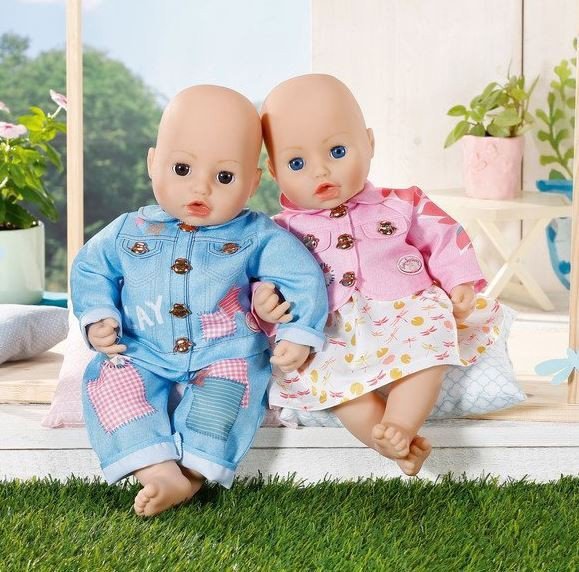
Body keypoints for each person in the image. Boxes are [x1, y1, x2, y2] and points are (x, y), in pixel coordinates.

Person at [71, 85, 328, 517]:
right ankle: (156, 469)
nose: (201, 187)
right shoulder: (128, 230)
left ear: (252, 182)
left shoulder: (256, 234)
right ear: (153, 163)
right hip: (141, 347)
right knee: (110, 385)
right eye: (182, 168)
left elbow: (301, 275)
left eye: (224, 177)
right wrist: (98, 317)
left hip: (225, 352)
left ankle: (189, 476)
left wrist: (299, 332)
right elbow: (90, 269)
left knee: (224, 405)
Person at [254, 74, 504, 476]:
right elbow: (262, 274)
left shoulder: (403, 203)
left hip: (407, 307)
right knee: (328, 381)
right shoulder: (279, 231)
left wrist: (458, 280)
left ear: (368, 143)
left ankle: (402, 422)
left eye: (337, 150)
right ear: (273, 170)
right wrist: (263, 299)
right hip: (329, 325)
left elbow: (443, 235)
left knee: (431, 347)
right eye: (297, 163)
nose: (321, 171)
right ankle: (388, 442)